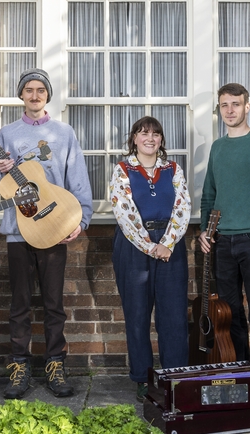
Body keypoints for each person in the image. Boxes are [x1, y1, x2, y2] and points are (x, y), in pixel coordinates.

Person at [0, 68, 93, 399]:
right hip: (19, 232)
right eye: (29, 90)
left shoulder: (63, 133)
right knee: (19, 304)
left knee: (53, 304)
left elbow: (77, 179)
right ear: (21, 96)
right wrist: (2, 172)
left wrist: (82, 220)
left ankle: (55, 365)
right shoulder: (7, 134)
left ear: (47, 95)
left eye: (40, 90)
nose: (35, 95)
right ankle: (19, 367)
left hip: (55, 230)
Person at [198, 83, 250, 366]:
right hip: (221, 241)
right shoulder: (218, 148)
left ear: (247, 107)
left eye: (235, 104)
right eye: (224, 105)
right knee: (229, 312)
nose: (230, 110)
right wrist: (205, 232)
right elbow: (209, 193)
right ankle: (239, 367)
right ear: (219, 109)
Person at [109, 116, 191, 402]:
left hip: (171, 248)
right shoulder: (121, 171)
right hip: (133, 249)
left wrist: (167, 243)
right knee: (137, 315)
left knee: (174, 316)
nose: (150, 138)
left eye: (156, 134)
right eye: (144, 134)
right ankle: (143, 378)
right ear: (134, 138)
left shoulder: (173, 170)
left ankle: (175, 376)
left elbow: (183, 206)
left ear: (161, 140)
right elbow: (124, 212)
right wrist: (149, 246)